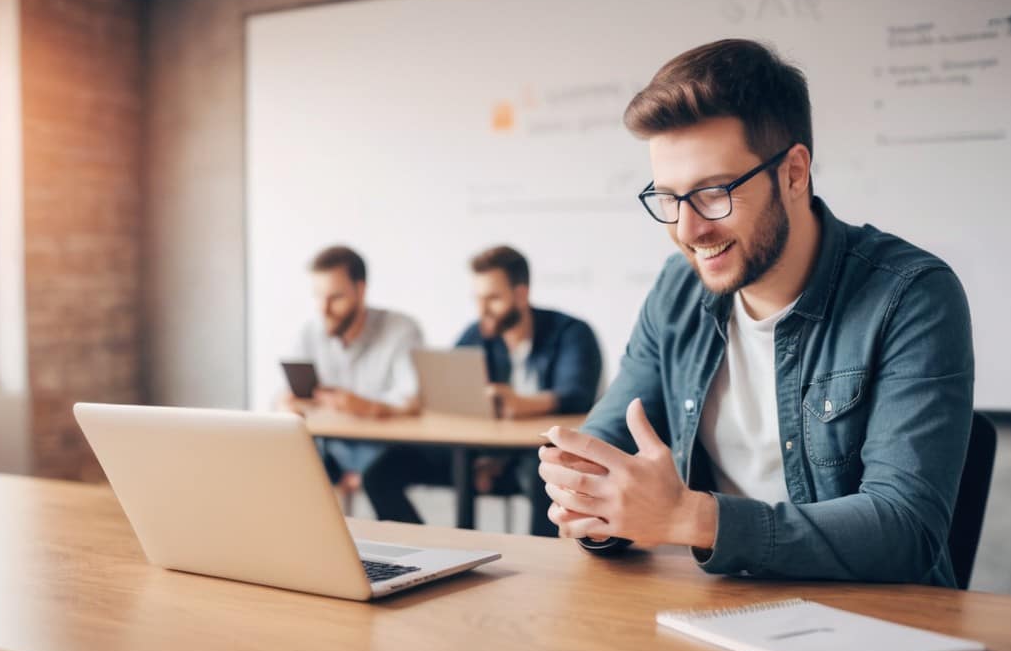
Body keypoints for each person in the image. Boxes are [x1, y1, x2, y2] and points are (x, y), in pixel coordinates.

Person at [538, 39, 974, 586]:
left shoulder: (911, 295)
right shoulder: (678, 290)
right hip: (713, 609)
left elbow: (906, 528)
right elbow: (606, 452)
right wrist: (594, 504)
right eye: (669, 198)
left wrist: (687, 517)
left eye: (713, 192)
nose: (688, 230)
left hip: (877, 630)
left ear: (793, 173)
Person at [362, 246, 602, 536]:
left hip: (532, 457)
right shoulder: (478, 333)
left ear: (521, 294)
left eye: (493, 299)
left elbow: (577, 394)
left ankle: (545, 568)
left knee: (545, 473)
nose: (481, 310)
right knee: (381, 472)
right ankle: (427, 550)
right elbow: (450, 388)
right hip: (478, 455)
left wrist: (520, 404)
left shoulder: (572, 333)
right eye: (477, 298)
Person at [282, 245, 423, 497]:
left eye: (335, 298)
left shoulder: (401, 330)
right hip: (329, 447)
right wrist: (289, 404)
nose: (323, 309)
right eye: (318, 297)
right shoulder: (309, 332)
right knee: (286, 468)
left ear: (360, 290)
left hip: (386, 449)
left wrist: (367, 407)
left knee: (379, 477)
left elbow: (413, 400)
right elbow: (283, 396)